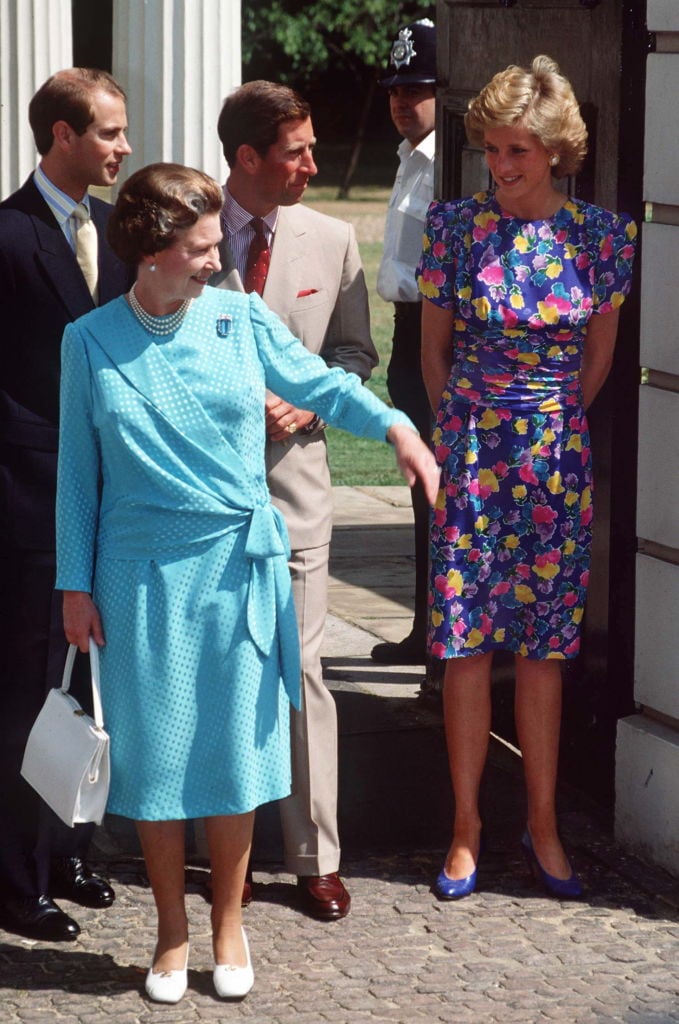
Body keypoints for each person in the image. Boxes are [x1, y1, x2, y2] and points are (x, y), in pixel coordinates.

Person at [56, 162, 438, 1002]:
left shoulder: (236, 316)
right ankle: (169, 934)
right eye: (195, 248)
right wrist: (72, 584)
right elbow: (77, 476)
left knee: (231, 750)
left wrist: (397, 426)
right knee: (156, 759)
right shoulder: (87, 341)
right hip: (139, 574)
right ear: (150, 252)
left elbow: (324, 384)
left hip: (236, 566)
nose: (210, 260)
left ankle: (227, 923)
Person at [417, 56, 636, 901]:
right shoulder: (453, 229)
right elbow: (433, 355)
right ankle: (465, 826)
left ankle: (541, 823)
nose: (501, 167)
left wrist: (545, 428)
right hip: (469, 458)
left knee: (545, 650)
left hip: (555, 463)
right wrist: (467, 436)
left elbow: (598, 360)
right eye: (491, 151)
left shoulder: (601, 238)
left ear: (554, 151)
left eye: (517, 151)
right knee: (466, 646)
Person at [212, 80, 378, 921]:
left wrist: (310, 403)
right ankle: (214, 849)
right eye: (296, 150)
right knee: (213, 670)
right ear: (246, 158)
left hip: (297, 495)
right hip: (198, 498)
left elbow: (355, 356)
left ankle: (315, 855)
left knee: (302, 667)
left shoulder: (334, 238)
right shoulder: (181, 227)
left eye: (313, 147)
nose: (313, 163)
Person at [0, 67, 132, 943]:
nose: (124, 147)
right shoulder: (6, 237)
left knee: (89, 685)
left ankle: (70, 852)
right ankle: (15, 881)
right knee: (24, 690)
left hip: (106, 504)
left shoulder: (116, 231)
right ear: (61, 137)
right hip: (26, 503)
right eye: (110, 132)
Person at [371, 18, 438, 669]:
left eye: (414, 86)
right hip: (407, 332)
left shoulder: (447, 159)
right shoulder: (408, 156)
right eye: (394, 86)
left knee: (436, 484)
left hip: (438, 334)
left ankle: (438, 628)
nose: (400, 99)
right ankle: (425, 624)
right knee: (419, 491)